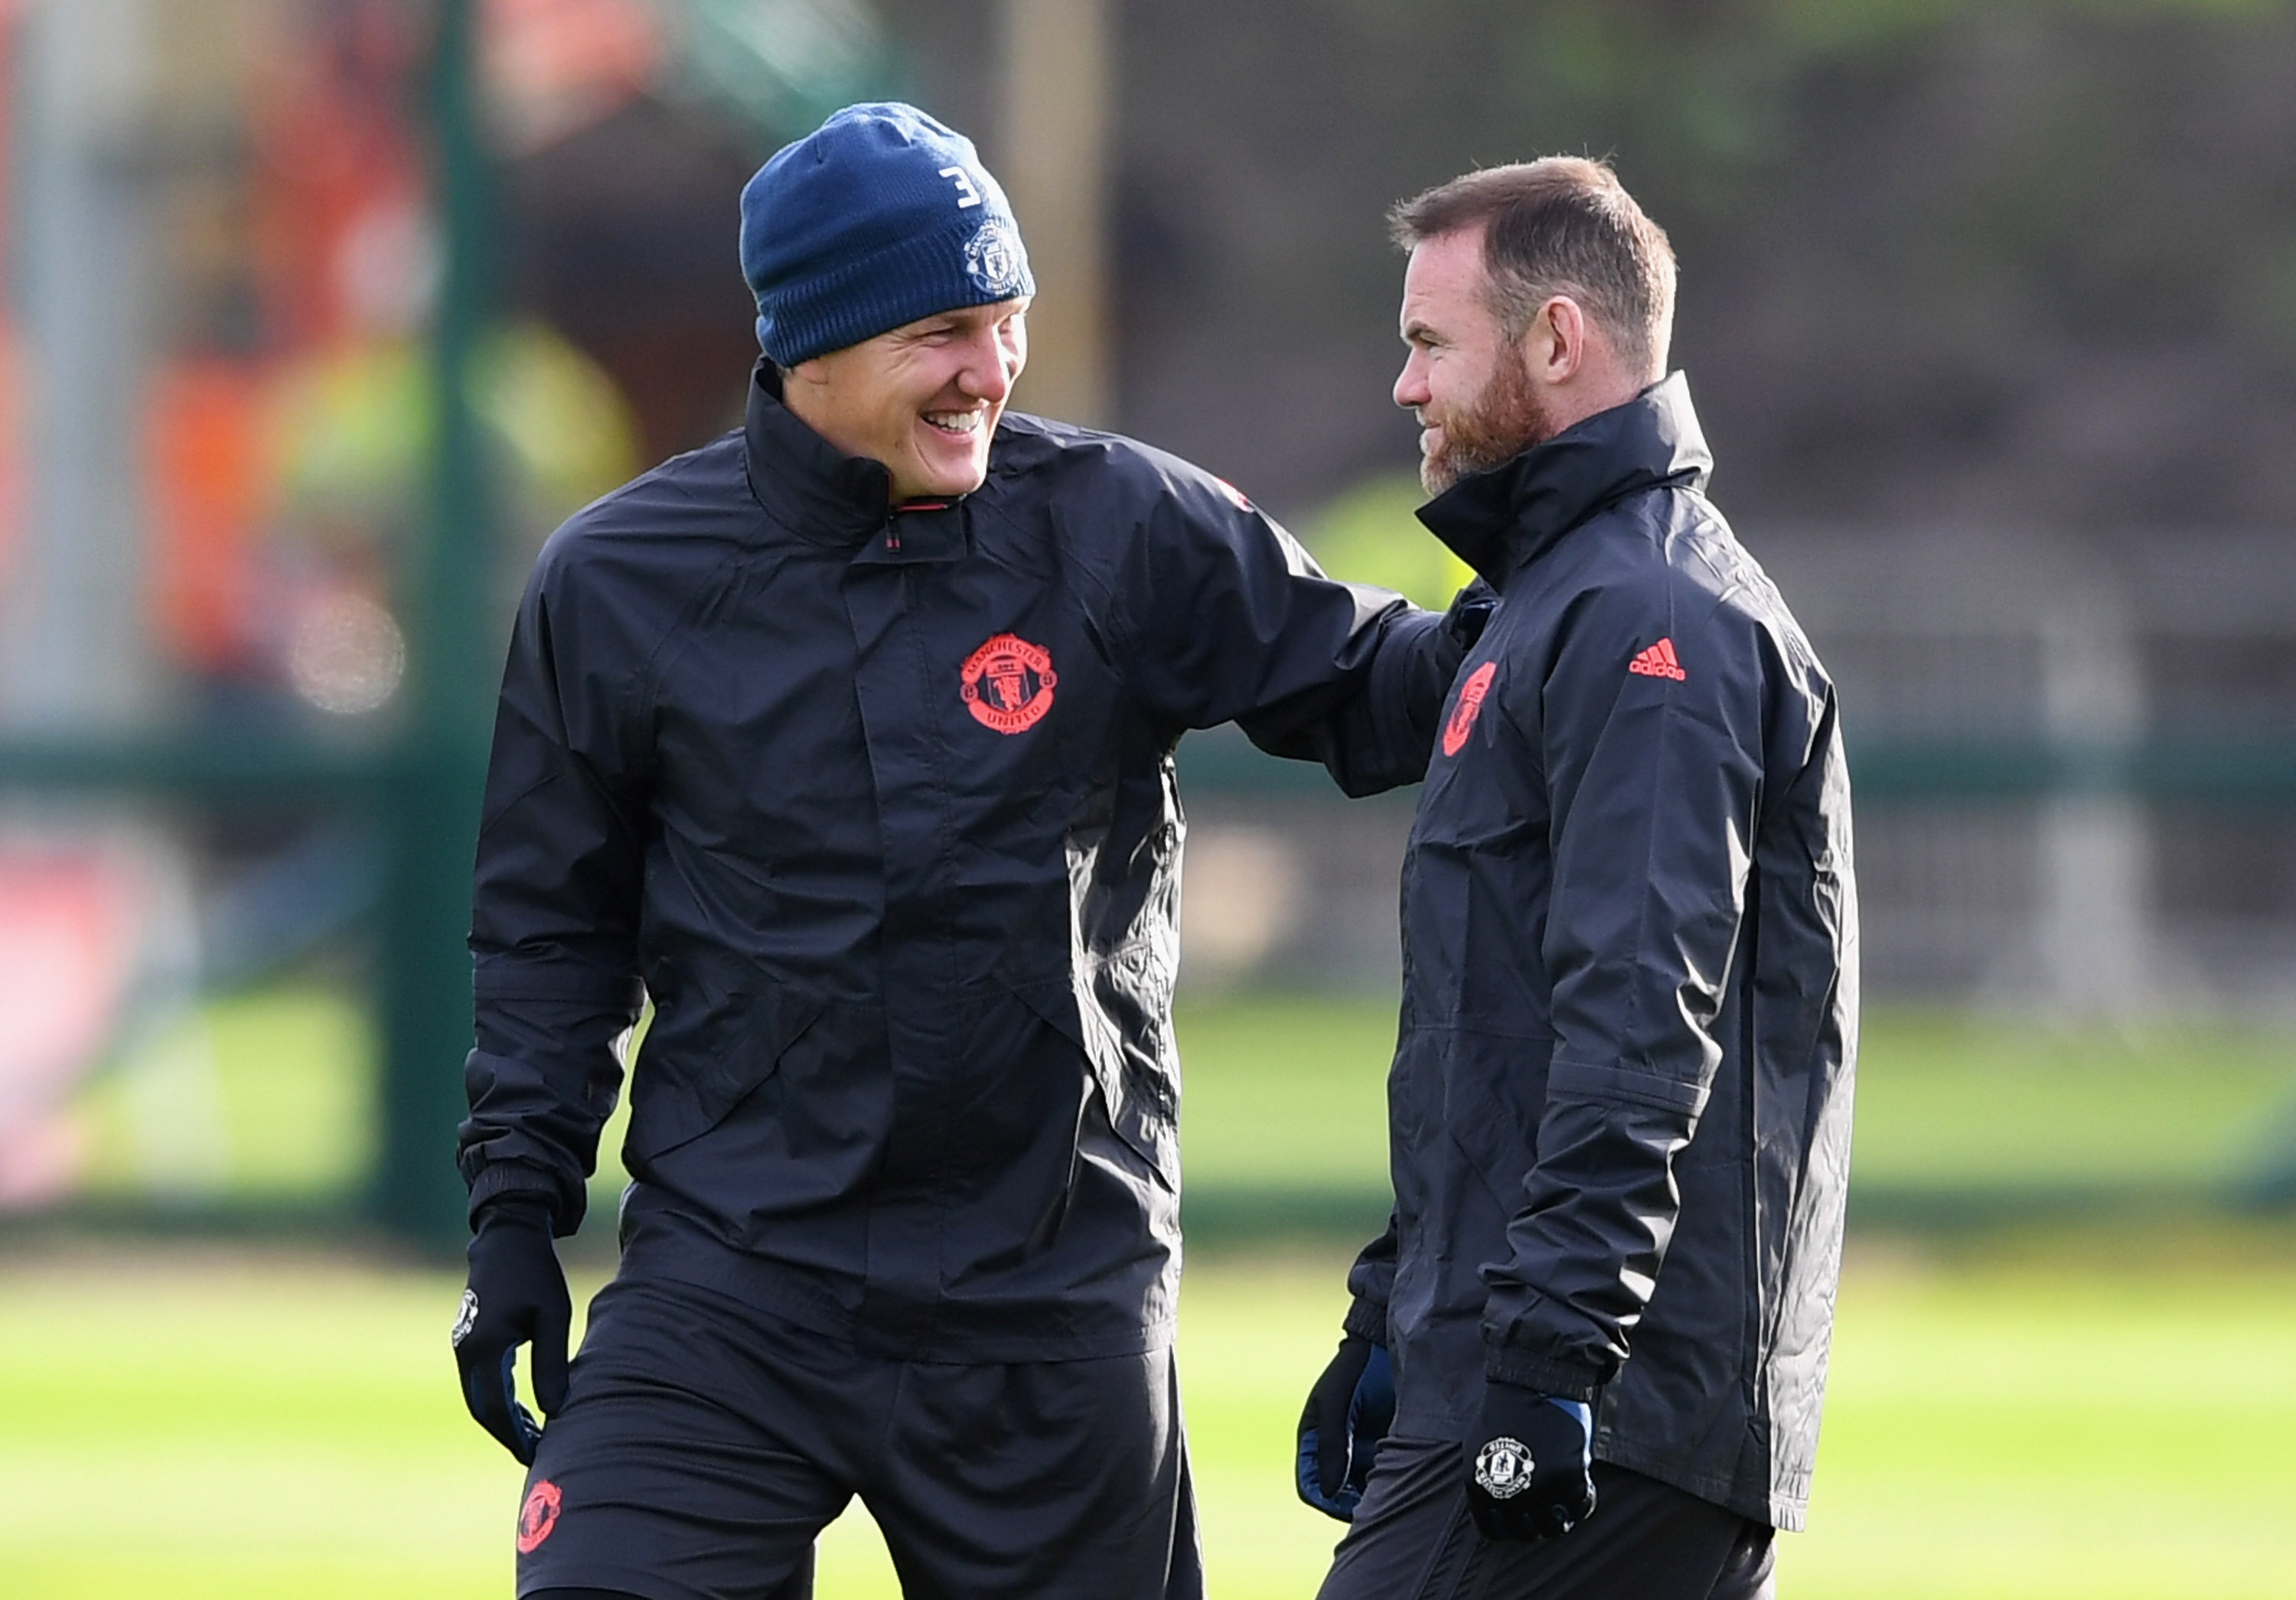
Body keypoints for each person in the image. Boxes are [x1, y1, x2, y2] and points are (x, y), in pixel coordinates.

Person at [448, 102, 1478, 1600]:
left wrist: (1563, 584)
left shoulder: (1119, 524)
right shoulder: (615, 580)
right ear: (813, 341)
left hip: (1046, 1293)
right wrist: (512, 1222)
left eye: (1007, 323)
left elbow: (1384, 687)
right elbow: (551, 937)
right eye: (943, 329)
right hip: (732, 1282)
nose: (990, 371)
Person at [1293, 158, 1857, 1599]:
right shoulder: (1547, 608)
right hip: (1513, 1362)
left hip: (1612, 1402)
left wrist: (1547, 1370)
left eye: (1430, 344)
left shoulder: (1653, 620)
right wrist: (1390, 1320)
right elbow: (1493, 1048)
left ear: (1554, 340)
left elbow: (1637, 1025)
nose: (1406, 389)